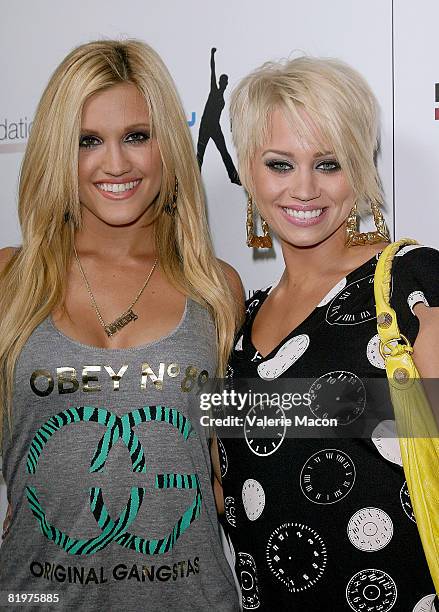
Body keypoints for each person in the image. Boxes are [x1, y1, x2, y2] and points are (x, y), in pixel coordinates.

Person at [0, 39, 243, 611]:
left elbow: (228, 471)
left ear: (168, 148)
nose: (115, 163)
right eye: (88, 141)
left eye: (136, 136)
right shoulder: (10, 281)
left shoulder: (216, 288)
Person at [219, 56, 439, 610]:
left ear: (360, 171)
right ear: (249, 170)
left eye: (329, 163)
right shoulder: (239, 323)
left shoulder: (413, 286)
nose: (305, 189)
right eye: (280, 164)